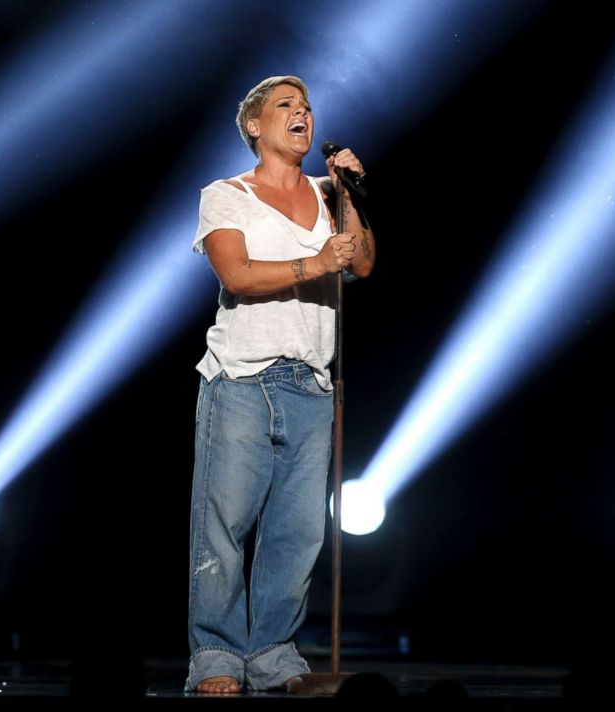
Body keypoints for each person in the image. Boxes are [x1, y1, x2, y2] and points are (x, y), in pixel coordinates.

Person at [185, 75, 375, 694]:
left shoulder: (328, 194)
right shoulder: (226, 195)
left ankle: (272, 657)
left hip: (312, 381)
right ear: (254, 127)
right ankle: (215, 656)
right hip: (242, 375)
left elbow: (365, 263)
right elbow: (236, 273)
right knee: (225, 523)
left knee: (297, 533)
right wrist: (315, 263)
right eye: (285, 107)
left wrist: (349, 192)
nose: (303, 114)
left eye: (308, 107)